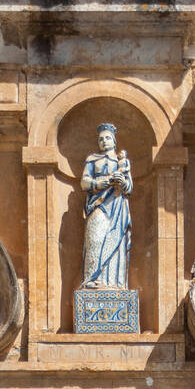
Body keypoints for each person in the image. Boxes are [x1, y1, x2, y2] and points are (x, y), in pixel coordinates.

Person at [81, 123, 132, 287]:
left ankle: (114, 282)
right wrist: (104, 182)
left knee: (116, 242)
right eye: (101, 138)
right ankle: (91, 279)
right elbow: (84, 182)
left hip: (117, 206)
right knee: (95, 239)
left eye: (107, 138)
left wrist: (121, 182)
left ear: (114, 141)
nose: (104, 141)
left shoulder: (122, 162)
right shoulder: (92, 160)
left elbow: (129, 187)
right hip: (98, 205)